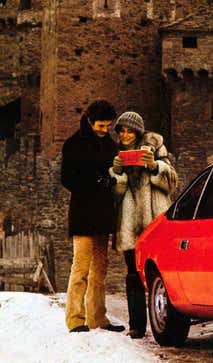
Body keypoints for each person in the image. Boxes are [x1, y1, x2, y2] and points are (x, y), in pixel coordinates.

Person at [109, 111, 177, 339]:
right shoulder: (116, 153)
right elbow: (115, 195)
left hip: (155, 221)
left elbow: (171, 183)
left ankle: (167, 322)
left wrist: (155, 166)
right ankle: (137, 325)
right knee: (133, 274)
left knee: (162, 274)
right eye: (121, 130)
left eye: (129, 130)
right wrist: (117, 174)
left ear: (138, 132)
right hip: (129, 223)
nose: (125, 135)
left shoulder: (156, 147)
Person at [61, 100, 125, 333]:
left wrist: (111, 178)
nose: (104, 130)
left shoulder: (109, 145)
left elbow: (112, 174)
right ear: (90, 121)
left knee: (101, 268)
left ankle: (97, 317)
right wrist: (95, 181)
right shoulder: (74, 144)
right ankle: (75, 319)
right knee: (81, 268)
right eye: (100, 125)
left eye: (107, 126)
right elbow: (67, 179)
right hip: (83, 213)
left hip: (103, 213)